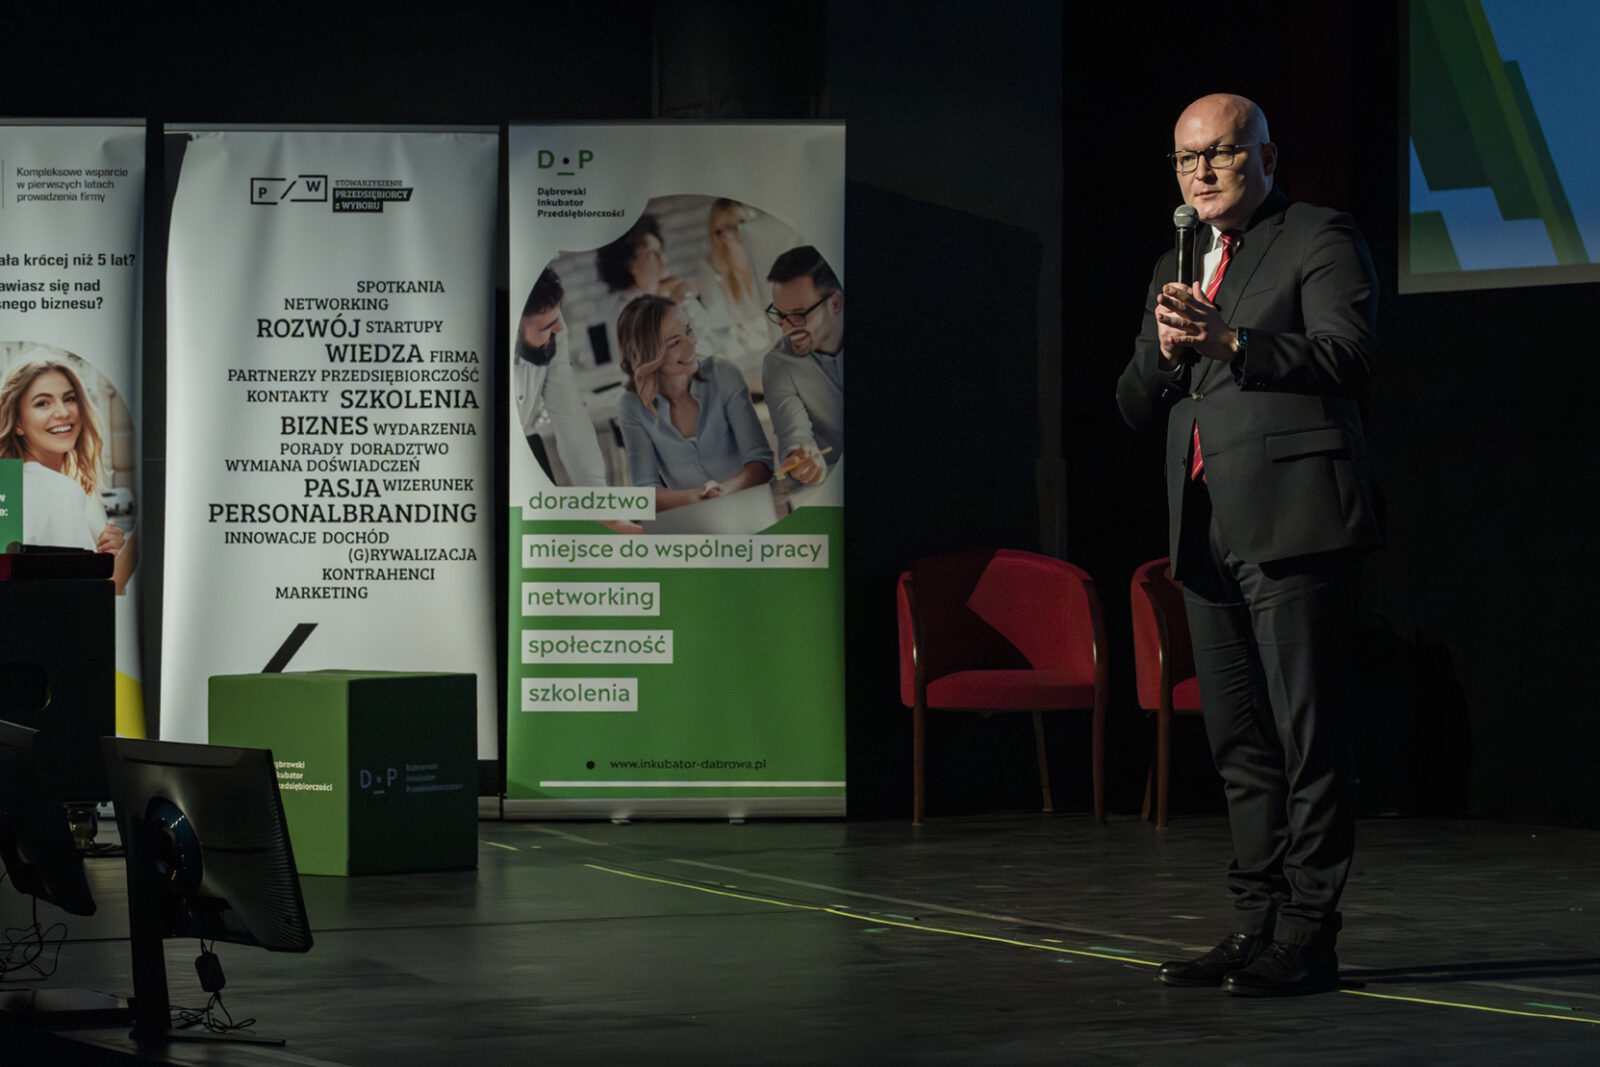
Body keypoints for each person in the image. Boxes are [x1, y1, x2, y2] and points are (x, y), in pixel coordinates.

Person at [1115, 93, 1380, 997]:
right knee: (1239, 745)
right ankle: (1254, 921)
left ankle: (1308, 932)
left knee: (1309, 737)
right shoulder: (1176, 261)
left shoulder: (1317, 235)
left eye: (1220, 153)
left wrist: (1231, 340)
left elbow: (1350, 357)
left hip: (1295, 519)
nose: (1202, 173)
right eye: (1186, 159)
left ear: (1265, 156)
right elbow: (1133, 403)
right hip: (1205, 527)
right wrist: (1163, 351)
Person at [615, 294, 771, 511]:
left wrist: (721, 493)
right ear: (647, 355)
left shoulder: (722, 374)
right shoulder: (632, 406)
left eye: (688, 331)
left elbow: (761, 462)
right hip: (697, 521)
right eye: (675, 343)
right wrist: (697, 496)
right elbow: (646, 492)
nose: (691, 347)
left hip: (754, 507)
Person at [1, 359, 135, 593]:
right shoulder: (60, 491)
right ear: (18, 422)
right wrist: (137, 546)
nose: (63, 412)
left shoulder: (9, 485)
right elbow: (82, 600)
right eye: (43, 403)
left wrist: (105, 558)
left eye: (70, 399)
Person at [512, 267, 609, 487]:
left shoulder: (553, 327)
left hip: (527, 441)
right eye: (546, 327)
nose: (560, 327)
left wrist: (596, 493)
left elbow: (569, 414)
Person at [761, 246, 843, 486]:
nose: (786, 329)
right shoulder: (778, 364)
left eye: (798, 314)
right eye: (780, 314)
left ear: (835, 303)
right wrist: (802, 459)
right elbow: (793, 434)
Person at [695, 199, 778, 361]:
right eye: (723, 231)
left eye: (740, 225)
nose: (733, 235)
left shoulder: (771, 261)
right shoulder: (711, 273)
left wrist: (745, 271)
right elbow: (720, 331)